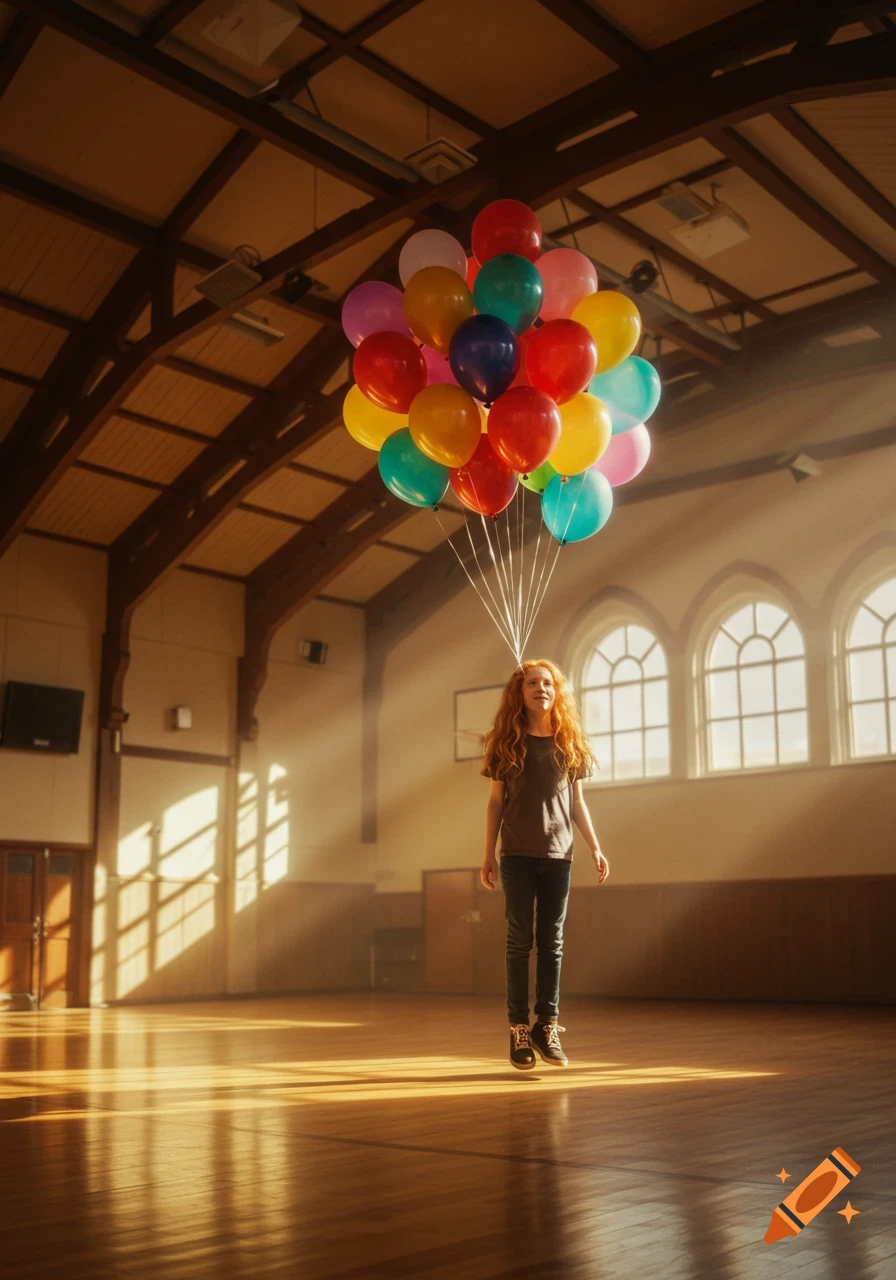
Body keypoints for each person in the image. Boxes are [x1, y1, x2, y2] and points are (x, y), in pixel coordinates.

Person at [480, 659, 609, 1070]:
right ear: (519, 692)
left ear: (557, 692)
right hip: (516, 855)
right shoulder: (505, 744)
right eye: (532, 682)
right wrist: (486, 855)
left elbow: (577, 803)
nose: (541, 688)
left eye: (548, 682)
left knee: (552, 943)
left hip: (559, 856)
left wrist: (595, 847)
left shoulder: (569, 743)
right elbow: (496, 802)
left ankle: (546, 1025)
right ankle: (518, 1028)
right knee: (520, 941)